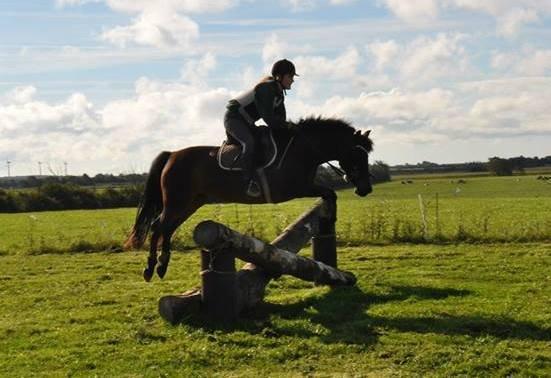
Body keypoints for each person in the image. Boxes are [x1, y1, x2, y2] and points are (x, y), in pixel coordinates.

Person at [224, 59, 298, 197]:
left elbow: (280, 120)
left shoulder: (279, 94)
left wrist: (291, 129)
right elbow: (269, 119)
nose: (292, 80)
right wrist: (288, 126)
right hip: (234, 119)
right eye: (290, 76)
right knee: (249, 143)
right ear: (279, 77)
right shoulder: (266, 88)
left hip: (247, 122)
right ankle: (248, 182)